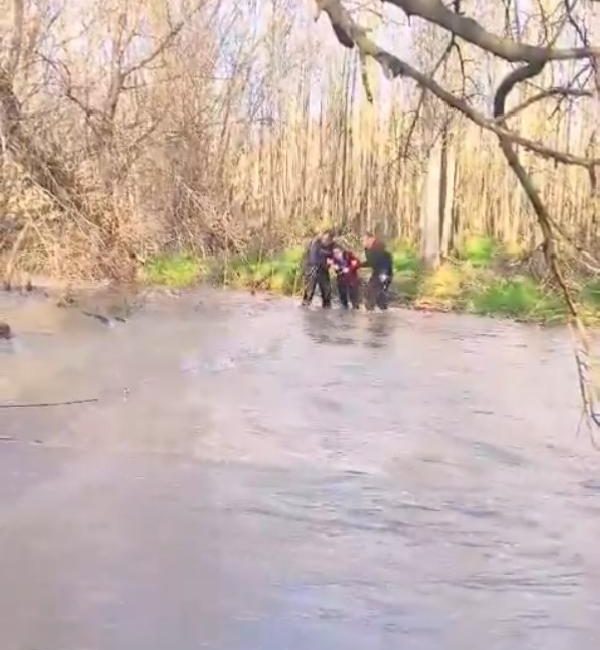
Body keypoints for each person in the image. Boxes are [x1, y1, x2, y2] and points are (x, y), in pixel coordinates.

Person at [301, 230, 334, 308]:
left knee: (327, 293)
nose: (327, 242)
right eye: (326, 239)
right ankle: (305, 306)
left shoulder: (331, 245)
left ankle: (326, 308)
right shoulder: (315, 243)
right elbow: (314, 259)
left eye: (329, 240)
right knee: (309, 293)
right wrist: (327, 262)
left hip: (323, 270)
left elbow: (335, 254)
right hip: (312, 269)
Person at [362, 232, 393, 311]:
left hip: (384, 273)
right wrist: (358, 265)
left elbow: (386, 261)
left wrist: (384, 274)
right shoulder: (368, 249)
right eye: (363, 240)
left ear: (372, 239)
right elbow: (372, 262)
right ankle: (383, 311)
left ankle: (370, 312)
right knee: (376, 293)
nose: (363, 242)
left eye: (365, 240)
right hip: (377, 273)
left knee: (370, 292)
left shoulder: (379, 247)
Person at [329, 244, 361, 309]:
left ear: (342, 251)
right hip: (341, 278)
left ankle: (355, 308)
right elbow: (331, 264)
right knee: (343, 296)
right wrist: (334, 266)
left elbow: (357, 263)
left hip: (352, 278)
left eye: (337, 252)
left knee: (354, 297)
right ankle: (344, 307)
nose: (336, 254)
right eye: (334, 253)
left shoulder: (349, 255)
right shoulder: (334, 258)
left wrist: (349, 269)